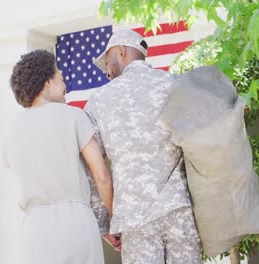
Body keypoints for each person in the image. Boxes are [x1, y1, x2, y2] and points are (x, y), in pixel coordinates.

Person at [85, 29, 202, 264]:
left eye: (107, 61)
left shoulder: (99, 100)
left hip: (134, 218)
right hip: (179, 208)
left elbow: (95, 169)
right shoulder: (174, 84)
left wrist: (105, 222)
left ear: (121, 52)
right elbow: (199, 143)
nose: (107, 71)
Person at [2, 50, 113, 264]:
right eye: (61, 79)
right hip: (76, 223)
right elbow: (102, 177)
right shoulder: (74, 116)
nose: (65, 87)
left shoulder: (12, 129)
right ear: (47, 82)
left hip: (35, 231)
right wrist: (114, 219)